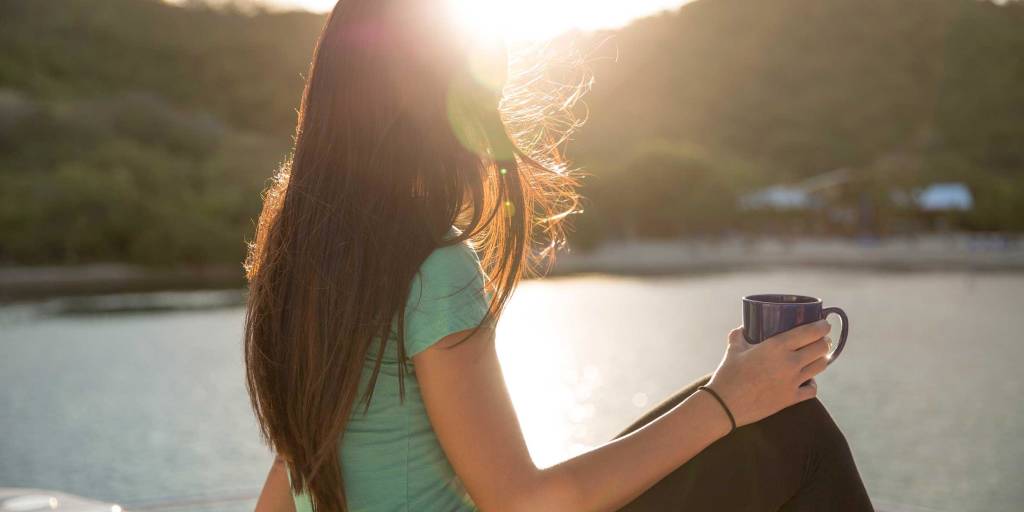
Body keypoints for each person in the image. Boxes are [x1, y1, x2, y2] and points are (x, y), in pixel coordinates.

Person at [245, 1, 873, 510]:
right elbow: (522, 502)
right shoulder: (429, 265)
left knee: (725, 411)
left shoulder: (298, 258)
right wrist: (729, 402)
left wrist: (725, 396)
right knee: (797, 435)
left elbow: (293, 471)